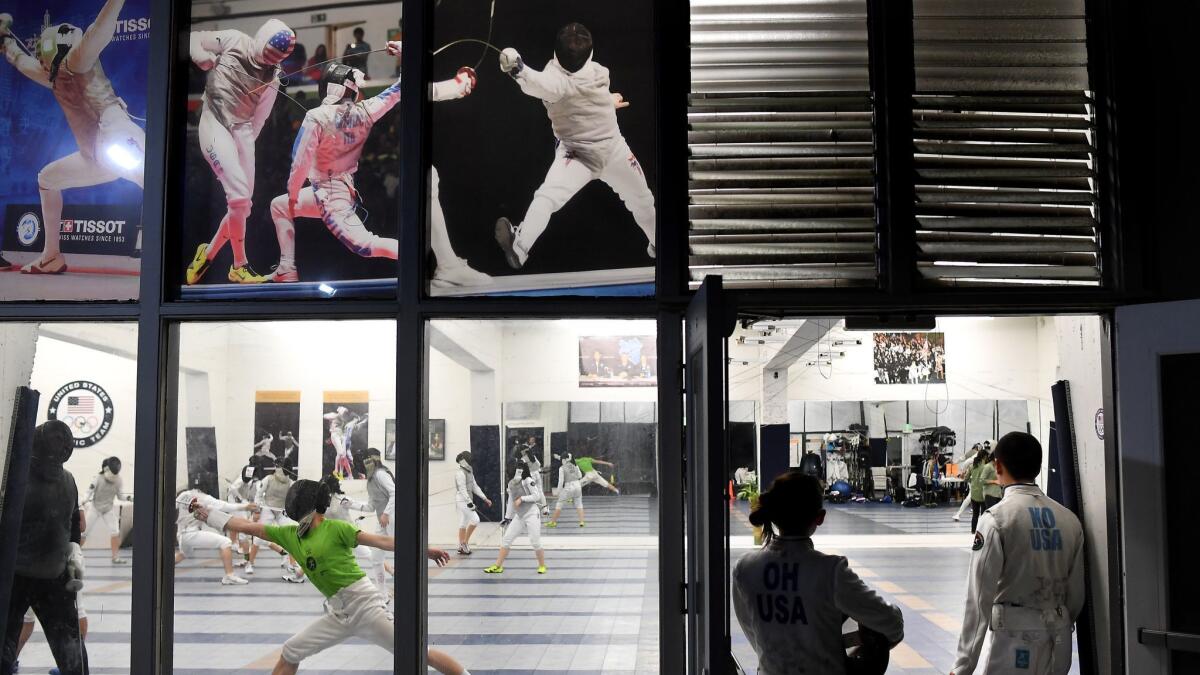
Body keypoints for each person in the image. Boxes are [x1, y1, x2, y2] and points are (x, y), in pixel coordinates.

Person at [189, 479, 471, 675]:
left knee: (419, 653)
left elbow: (381, 542)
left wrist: (425, 550)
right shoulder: (289, 534)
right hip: (338, 613)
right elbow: (249, 528)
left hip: (366, 606)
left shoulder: (336, 528)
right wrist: (208, 514)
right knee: (291, 651)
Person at [266, 42, 490, 288]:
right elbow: (400, 89)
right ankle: (287, 268)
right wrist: (409, 57)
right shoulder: (365, 111)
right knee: (279, 207)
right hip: (336, 190)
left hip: (331, 197)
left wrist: (293, 192)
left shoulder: (316, 117)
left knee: (366, 245)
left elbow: (300, 161)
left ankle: (420, 257)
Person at [493, 23, 656, 269]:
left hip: (575, 155)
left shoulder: (554, 82)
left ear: (556, 53)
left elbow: (535, 83)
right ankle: (662, 245)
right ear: (590, 54)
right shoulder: (600, 72)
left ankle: (521, 246)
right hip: (614, 152)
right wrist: (607, 102)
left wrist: (517, 68)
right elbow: (581, 94)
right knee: (642, 201)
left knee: (547, 197)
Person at [0, 0, 145, 275]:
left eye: (45, 49)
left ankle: (177, 255)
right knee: (47, 179)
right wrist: (6, 40)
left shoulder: (79, 58)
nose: (41, 56)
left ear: (59, 46)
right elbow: (20, 61)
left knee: (154, 182)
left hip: (117, 137)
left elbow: (101, 27)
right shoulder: (52, 76)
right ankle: (51, 256)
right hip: (94, 157)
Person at [732, 471, 904, 675]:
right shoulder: (831, 572)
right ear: (820, 518)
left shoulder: (744, 569)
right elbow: (892, 624)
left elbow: (752, 632)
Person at [951, 432, 1085, 675]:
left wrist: (962, 667)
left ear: (998, 465)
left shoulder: (996, 520)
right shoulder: (1070, 520)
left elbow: (978, 600)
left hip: (1014, 643)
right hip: (1059, 642)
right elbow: (1076, 595)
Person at [185, 19, 296, 285]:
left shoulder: (273, 75)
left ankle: (208, 252)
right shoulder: (234, 39)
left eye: (272, 60)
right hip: (215, 120)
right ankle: (239, 265)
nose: (265, 62)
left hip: (244, 131)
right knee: (237, 197)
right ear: (261, 38)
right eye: (265, 54)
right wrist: (201, 56)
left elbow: (260, 118)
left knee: (242, 207)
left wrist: (239, 151)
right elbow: (194, 36)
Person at [1, 421, 89, 674]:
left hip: (15, 577)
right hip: (55, 576)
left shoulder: (15, 480)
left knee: (5, 646)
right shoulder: (69, 480)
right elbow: (75, 529)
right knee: (70, 650)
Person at [174, 484, 258, 585]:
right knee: (225, 542)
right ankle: (229, 576)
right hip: (190, 534)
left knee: (184, 554)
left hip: (181, 536)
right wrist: (245, 506)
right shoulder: (202, 498)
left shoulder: (183, 496)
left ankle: (160, 570)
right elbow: (223, 505)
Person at [484, 458, 547, 575]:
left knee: (535, 541)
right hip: (519, 516)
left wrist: (522, 498)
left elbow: (537, 496)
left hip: (532, 513)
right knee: (506, 540)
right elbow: (511, 501)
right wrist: (507, 518)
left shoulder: (528, 480)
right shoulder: (511, 483)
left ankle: (542, 565)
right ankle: (498, 566)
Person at [256, 456, 304, 581]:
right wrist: (257, 508)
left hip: (282, 511)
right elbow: (259, 495)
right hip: (267, 508)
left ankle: (292, 563)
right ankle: (250, 562)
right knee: (259, 536)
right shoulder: (268, 479)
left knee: (292, 535)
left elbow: (295, 500)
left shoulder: (291, 482)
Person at [362, 448, 396, 601]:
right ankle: (382, 594)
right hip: (382, 520)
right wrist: (349, 504)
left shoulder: (381, 474)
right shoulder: (371, 478)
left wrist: (386, 513)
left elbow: (395, 492)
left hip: (393, 517)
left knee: (402, 552)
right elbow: (370, 506)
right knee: (376, 557)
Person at [81, 456, 127, 564]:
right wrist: (83, 500)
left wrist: (130, 498)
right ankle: (74, 555)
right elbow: (89, 492)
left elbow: (120, 496)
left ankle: (115, 557)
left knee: (115, 532)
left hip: (108, 509)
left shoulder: (118, 480)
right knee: (84, 532)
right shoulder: (97, 478)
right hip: (95, 508)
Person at [453, 452, 492, 555]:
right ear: (464, 461)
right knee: (476, 520)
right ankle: (464, 543)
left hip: (467, 499)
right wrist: (470, 503)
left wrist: (485, 498)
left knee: (463, 522)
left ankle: (461, 546)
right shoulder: (460, 473)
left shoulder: (470, 472)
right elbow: (462, 489)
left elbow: (475, 487)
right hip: (462, 500)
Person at [226, 461, 262, 572]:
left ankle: (247, 561)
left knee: (243, 535)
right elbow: (232, 489)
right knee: (242, 535)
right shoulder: (241, 480)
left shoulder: (252, 481)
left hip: (243, 507)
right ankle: (247, 561)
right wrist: (241, 499)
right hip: (237, 507)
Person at [547, 452, 585, 528]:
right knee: (579, 504)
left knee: (559, 504)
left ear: (564, 459)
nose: (561, 460)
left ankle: (553, 522)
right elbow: (580, 475)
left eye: (561, 459)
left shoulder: (562, 468)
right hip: (578, 485)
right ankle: (582, 522)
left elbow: (561, 482)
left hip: (569, 487)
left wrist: (558, 492)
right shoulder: (575, 465)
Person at [952, 444, 981, 523]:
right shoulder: (978, 454)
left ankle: (959, 514)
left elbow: (965, 461)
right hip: (976, 479)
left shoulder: (979, 454)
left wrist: (962, 471)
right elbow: (967, 461)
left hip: (977, 478)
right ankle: (959, 513)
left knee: (972, 497)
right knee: (972, 496)